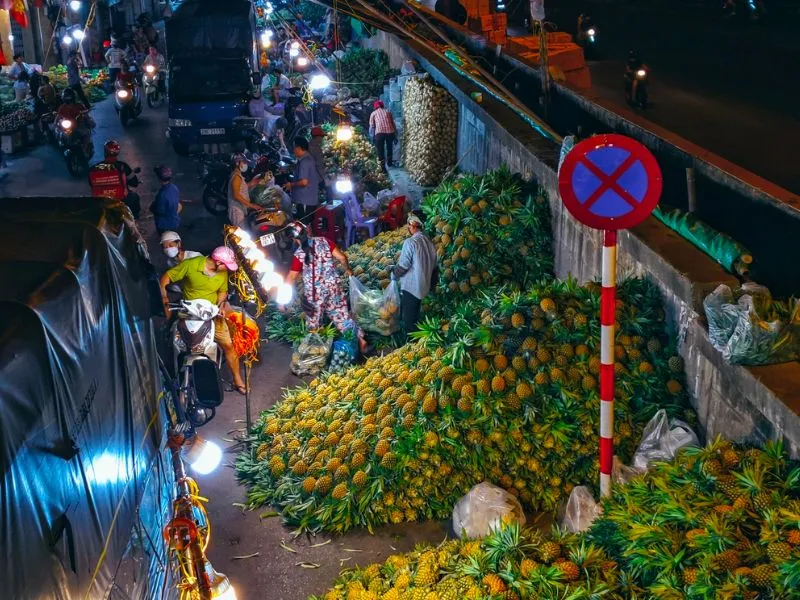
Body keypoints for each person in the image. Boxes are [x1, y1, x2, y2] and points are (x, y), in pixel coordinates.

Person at [160, 247, 248, 394]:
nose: (228, 269)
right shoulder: (191, 265)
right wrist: (164, 297)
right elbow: (165, 278)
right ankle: (172, 376)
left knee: (228, 345)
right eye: (226, 265)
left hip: (211, 313)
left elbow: (222, 291)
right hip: (189, 311)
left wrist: (220, 304)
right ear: (218, 262)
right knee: (174, 341)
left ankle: (237, 379)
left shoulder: (222, 272)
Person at [285, 221, 368, 353]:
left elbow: (291, 278)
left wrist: (282, 300)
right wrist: (348, 270)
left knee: (314, 324)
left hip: (315, 294)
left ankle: (318, 355)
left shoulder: (299, 254)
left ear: (294, 239)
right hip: (334, 286)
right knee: (342, 316)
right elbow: (342, 257)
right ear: (307, 231)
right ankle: (360, 340)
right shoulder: (324, 241)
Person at [391, 214, 437, 338]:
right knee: (416, 314)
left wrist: (394, 275)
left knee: (410, 320)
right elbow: (435, 267)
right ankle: (419, 339)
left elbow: (404, 265)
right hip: (424, 286)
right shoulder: (429, 241)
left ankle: (414, 344)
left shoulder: (410, 242)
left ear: (414, 226)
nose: (408, 228)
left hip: (412, 287)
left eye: (409, 225)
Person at [283, 137, 321, 221]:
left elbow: (304, 182)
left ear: (299, 148)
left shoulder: (305, 162)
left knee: (304, 224)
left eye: (294, 147)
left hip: (305, 201)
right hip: (308, 199)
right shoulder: (307, 159)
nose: (293, 150)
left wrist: (291, 185)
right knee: (306, 224)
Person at [102, 139, 141, 218]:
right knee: (135, 197)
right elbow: (134, 183)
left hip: (104, 200)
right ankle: (134, 219)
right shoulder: (123, 167)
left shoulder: (95, 168)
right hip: (121, 200)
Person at [227, 153, 266, 227]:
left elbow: (242, 187)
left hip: (240, 209)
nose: (246, 165)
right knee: (243, 234)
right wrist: (252, 206)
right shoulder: (236, 177)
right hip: (236, 211)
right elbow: (236, 195)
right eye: (244, 162)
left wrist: (254, 183)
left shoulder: (238, 175)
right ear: (237, 163)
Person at [56, 88, 94, 155]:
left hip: (79, 126)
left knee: (86, 134)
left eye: (68, 96)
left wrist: (86, 117)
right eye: (66, 96)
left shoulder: (79, 105)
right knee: (60, 137)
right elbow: (58, 117)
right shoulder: (62, 107)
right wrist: (56, 124)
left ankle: (84, 150)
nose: (67, 98)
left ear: (72, 96)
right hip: (68, 127)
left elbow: (86, 114)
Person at [151, 166, 182, 234]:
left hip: (164, 225)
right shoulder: (174, 188)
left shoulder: (162, 195)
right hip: (175, 222)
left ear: (159, 179)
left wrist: (152, 207)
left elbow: (160, 211)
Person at [368, 100, 397, 171]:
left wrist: (372, 138)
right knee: (389, 147)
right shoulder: (388, 111)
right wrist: (395, 135)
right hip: (390, 132)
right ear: (382, 105)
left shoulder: (373, 113)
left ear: (375, 107)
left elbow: (372, 126)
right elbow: (393, 123)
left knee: (380, 150)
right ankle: (390, 163)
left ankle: (382, 167)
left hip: (379, 133)